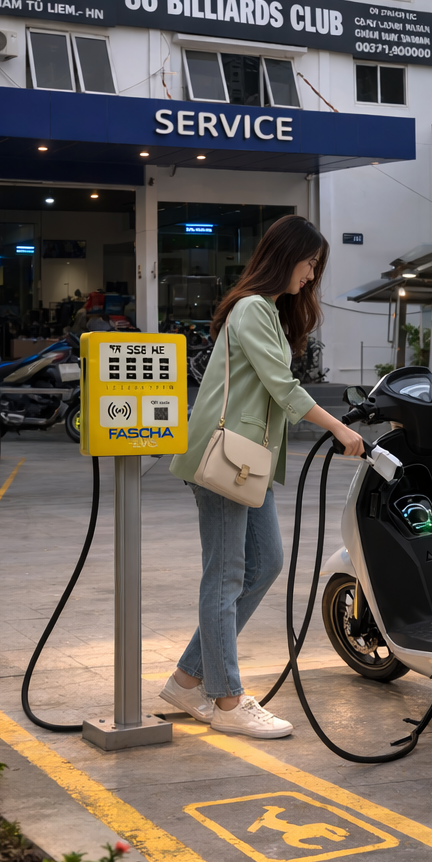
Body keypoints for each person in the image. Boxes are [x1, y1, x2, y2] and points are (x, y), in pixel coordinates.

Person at [160, 215, 365, 739]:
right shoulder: (252, 307)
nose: (311, 275)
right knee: (226, 575)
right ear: (285, 256)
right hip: (225, 458)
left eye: (315, 267)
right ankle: (226, 700)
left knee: (266, 562)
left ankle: (187, 679)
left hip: (247, 461)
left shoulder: (268, 311)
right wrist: (339, 428)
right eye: (309, 263)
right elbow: (282, 385)